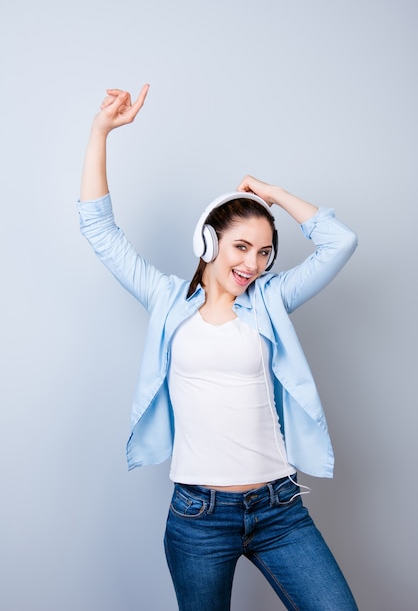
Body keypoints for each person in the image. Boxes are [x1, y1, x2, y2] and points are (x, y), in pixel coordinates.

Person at [78, 85, 359, 611]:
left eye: (265, 253)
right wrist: (102, 131)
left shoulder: (272, 300)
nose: (253, 263)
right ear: (209, 242)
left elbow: (340, 241)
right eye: (242, 246)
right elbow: (99, 229)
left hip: (280, 508)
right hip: (199, 517)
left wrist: (272, 193)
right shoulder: (166, 298)